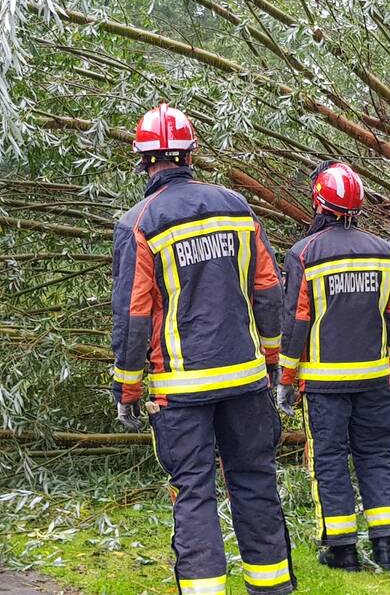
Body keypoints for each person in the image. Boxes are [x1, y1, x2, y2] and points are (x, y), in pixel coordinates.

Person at [111, 103, 296, 595]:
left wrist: (127, 388)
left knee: (193, 491)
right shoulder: (236, 207)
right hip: (245, 378)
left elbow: (133, 314)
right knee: (255, 480)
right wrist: (272, 361)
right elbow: (268, 290)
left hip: (181, 388)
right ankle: (272, 586)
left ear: (143, 160)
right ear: (191, 153)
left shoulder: (139, 222)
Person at [276, 161, 390, 572]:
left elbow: (296, 321)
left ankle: (342, 550)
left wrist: (285, 378)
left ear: (318, 202)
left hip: (324, 384)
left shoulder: (304, 253)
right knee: (377, 456)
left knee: (329, 461)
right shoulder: (384, 251)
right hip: (375, 379)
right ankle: (387, 546)